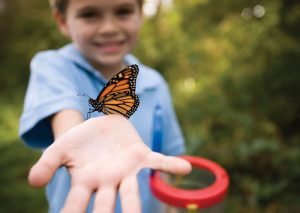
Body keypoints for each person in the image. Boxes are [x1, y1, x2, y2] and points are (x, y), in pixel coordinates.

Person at [19, 0, 191, 212]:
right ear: (63, 21)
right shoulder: (52, 67)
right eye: (89, 15)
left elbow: (170, 155)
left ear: (141, 14)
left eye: (123, 11)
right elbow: (65, 113)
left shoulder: (155, 83)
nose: (109, 28)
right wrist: (79, 136)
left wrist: (170, 204)